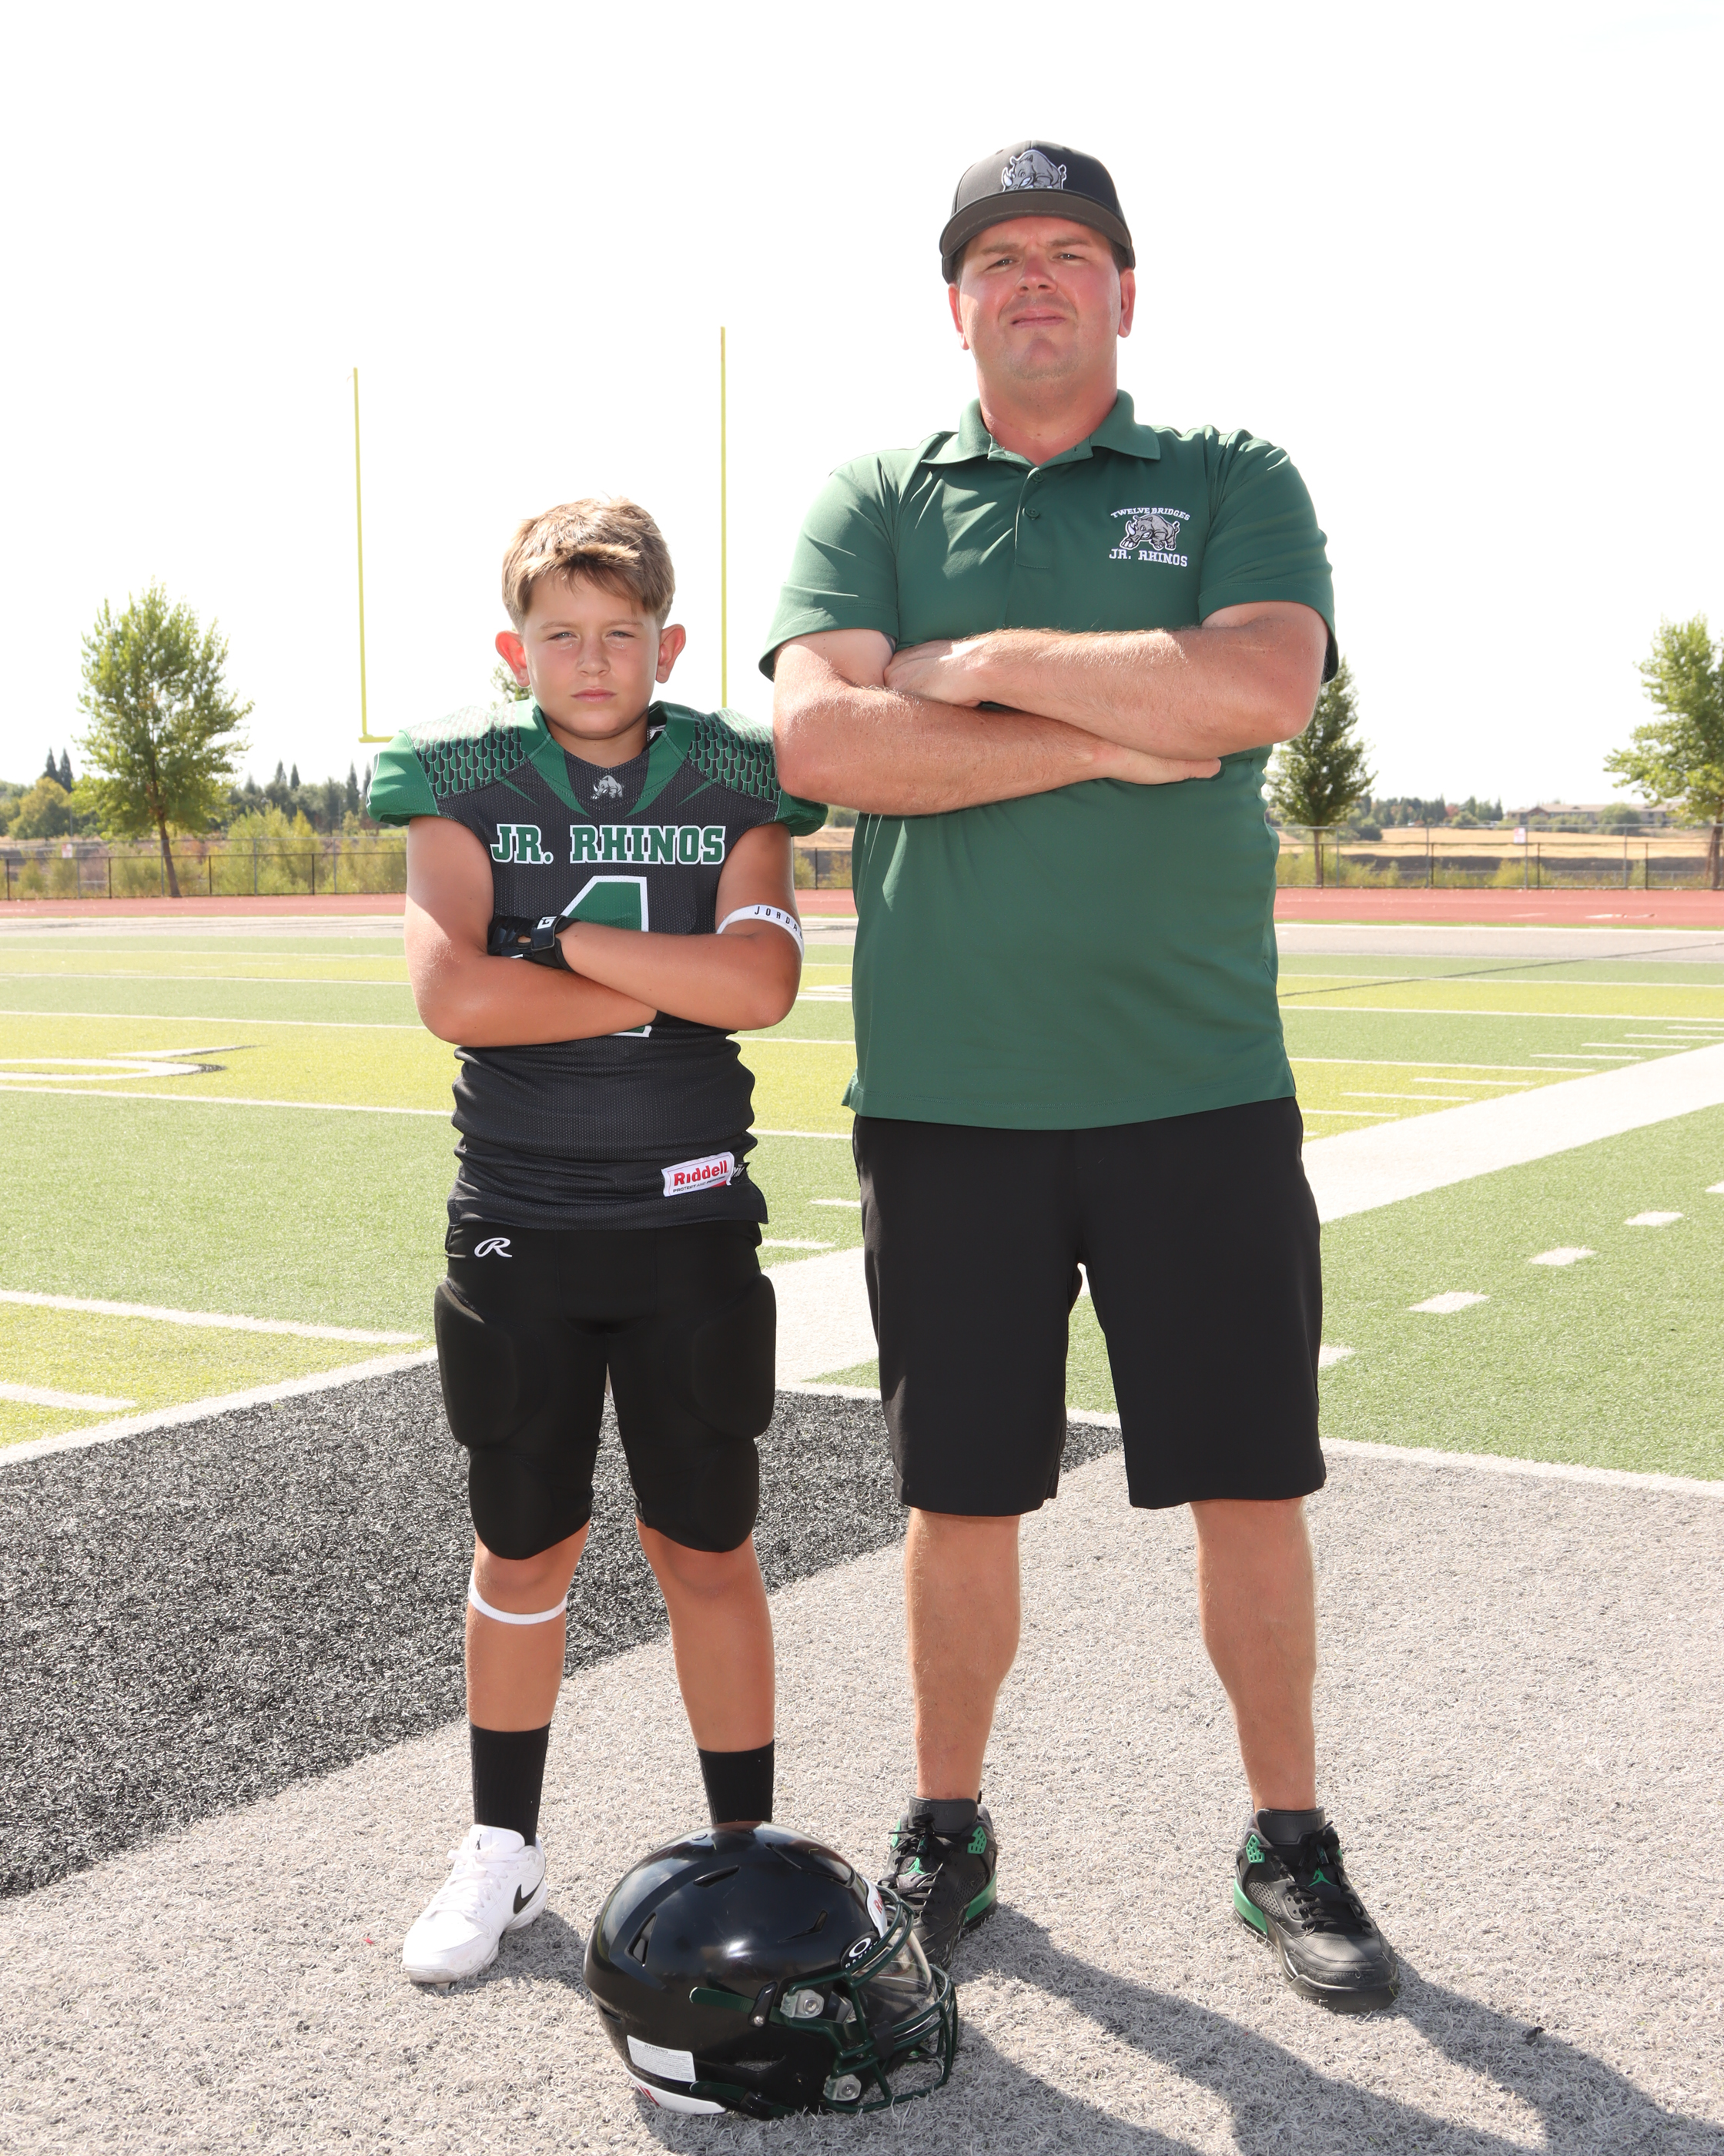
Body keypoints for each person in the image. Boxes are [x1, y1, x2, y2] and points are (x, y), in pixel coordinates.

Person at [764, 142, 1398, 2012]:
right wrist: (1109, 731)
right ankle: (946, 1824)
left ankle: (1288, 1838)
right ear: (953, 305)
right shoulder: (878, 495)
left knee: (1249, 1484)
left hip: (1196, 1085)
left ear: (1125, 290)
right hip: (950, 1097)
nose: (1031, 279)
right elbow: (823, 742)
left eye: (1066, 251)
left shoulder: (1232, 476)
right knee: (957, 1497)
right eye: (996, 259)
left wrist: (970, 667)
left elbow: (1255, 691)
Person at [368, 497, 825, 1984]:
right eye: (558, 633)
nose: (589, 658)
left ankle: (746, 1847)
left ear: (667, 645)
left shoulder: (735, 773)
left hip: (689, 1222)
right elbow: (456, 998)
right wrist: (667, 984)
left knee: (708, 1543)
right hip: (522, 1226)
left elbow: (760, 987)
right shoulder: (462, 776)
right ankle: (500, 1847)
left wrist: (562, 946)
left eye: (618, 632)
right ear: (515, 651)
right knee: (523, 1542)